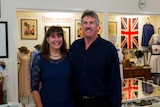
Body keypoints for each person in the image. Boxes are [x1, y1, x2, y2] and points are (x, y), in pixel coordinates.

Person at [70, 9, 121, 107]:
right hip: (77, 102)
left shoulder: (109, 49)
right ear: (81, 26)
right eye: (85, 23)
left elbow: (115, 82)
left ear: (98, 27)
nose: (88, 26)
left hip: (100, 103)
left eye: (91, 23)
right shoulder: (75, 47)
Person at [30, 26, 75, 107]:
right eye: (53, 37)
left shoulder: (69, 57)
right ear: (47, 39)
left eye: (59, 36)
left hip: (69, 103)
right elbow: (34, 88)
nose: (56, 39)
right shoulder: (39, 59)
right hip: (47, 103)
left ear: (62, 38)